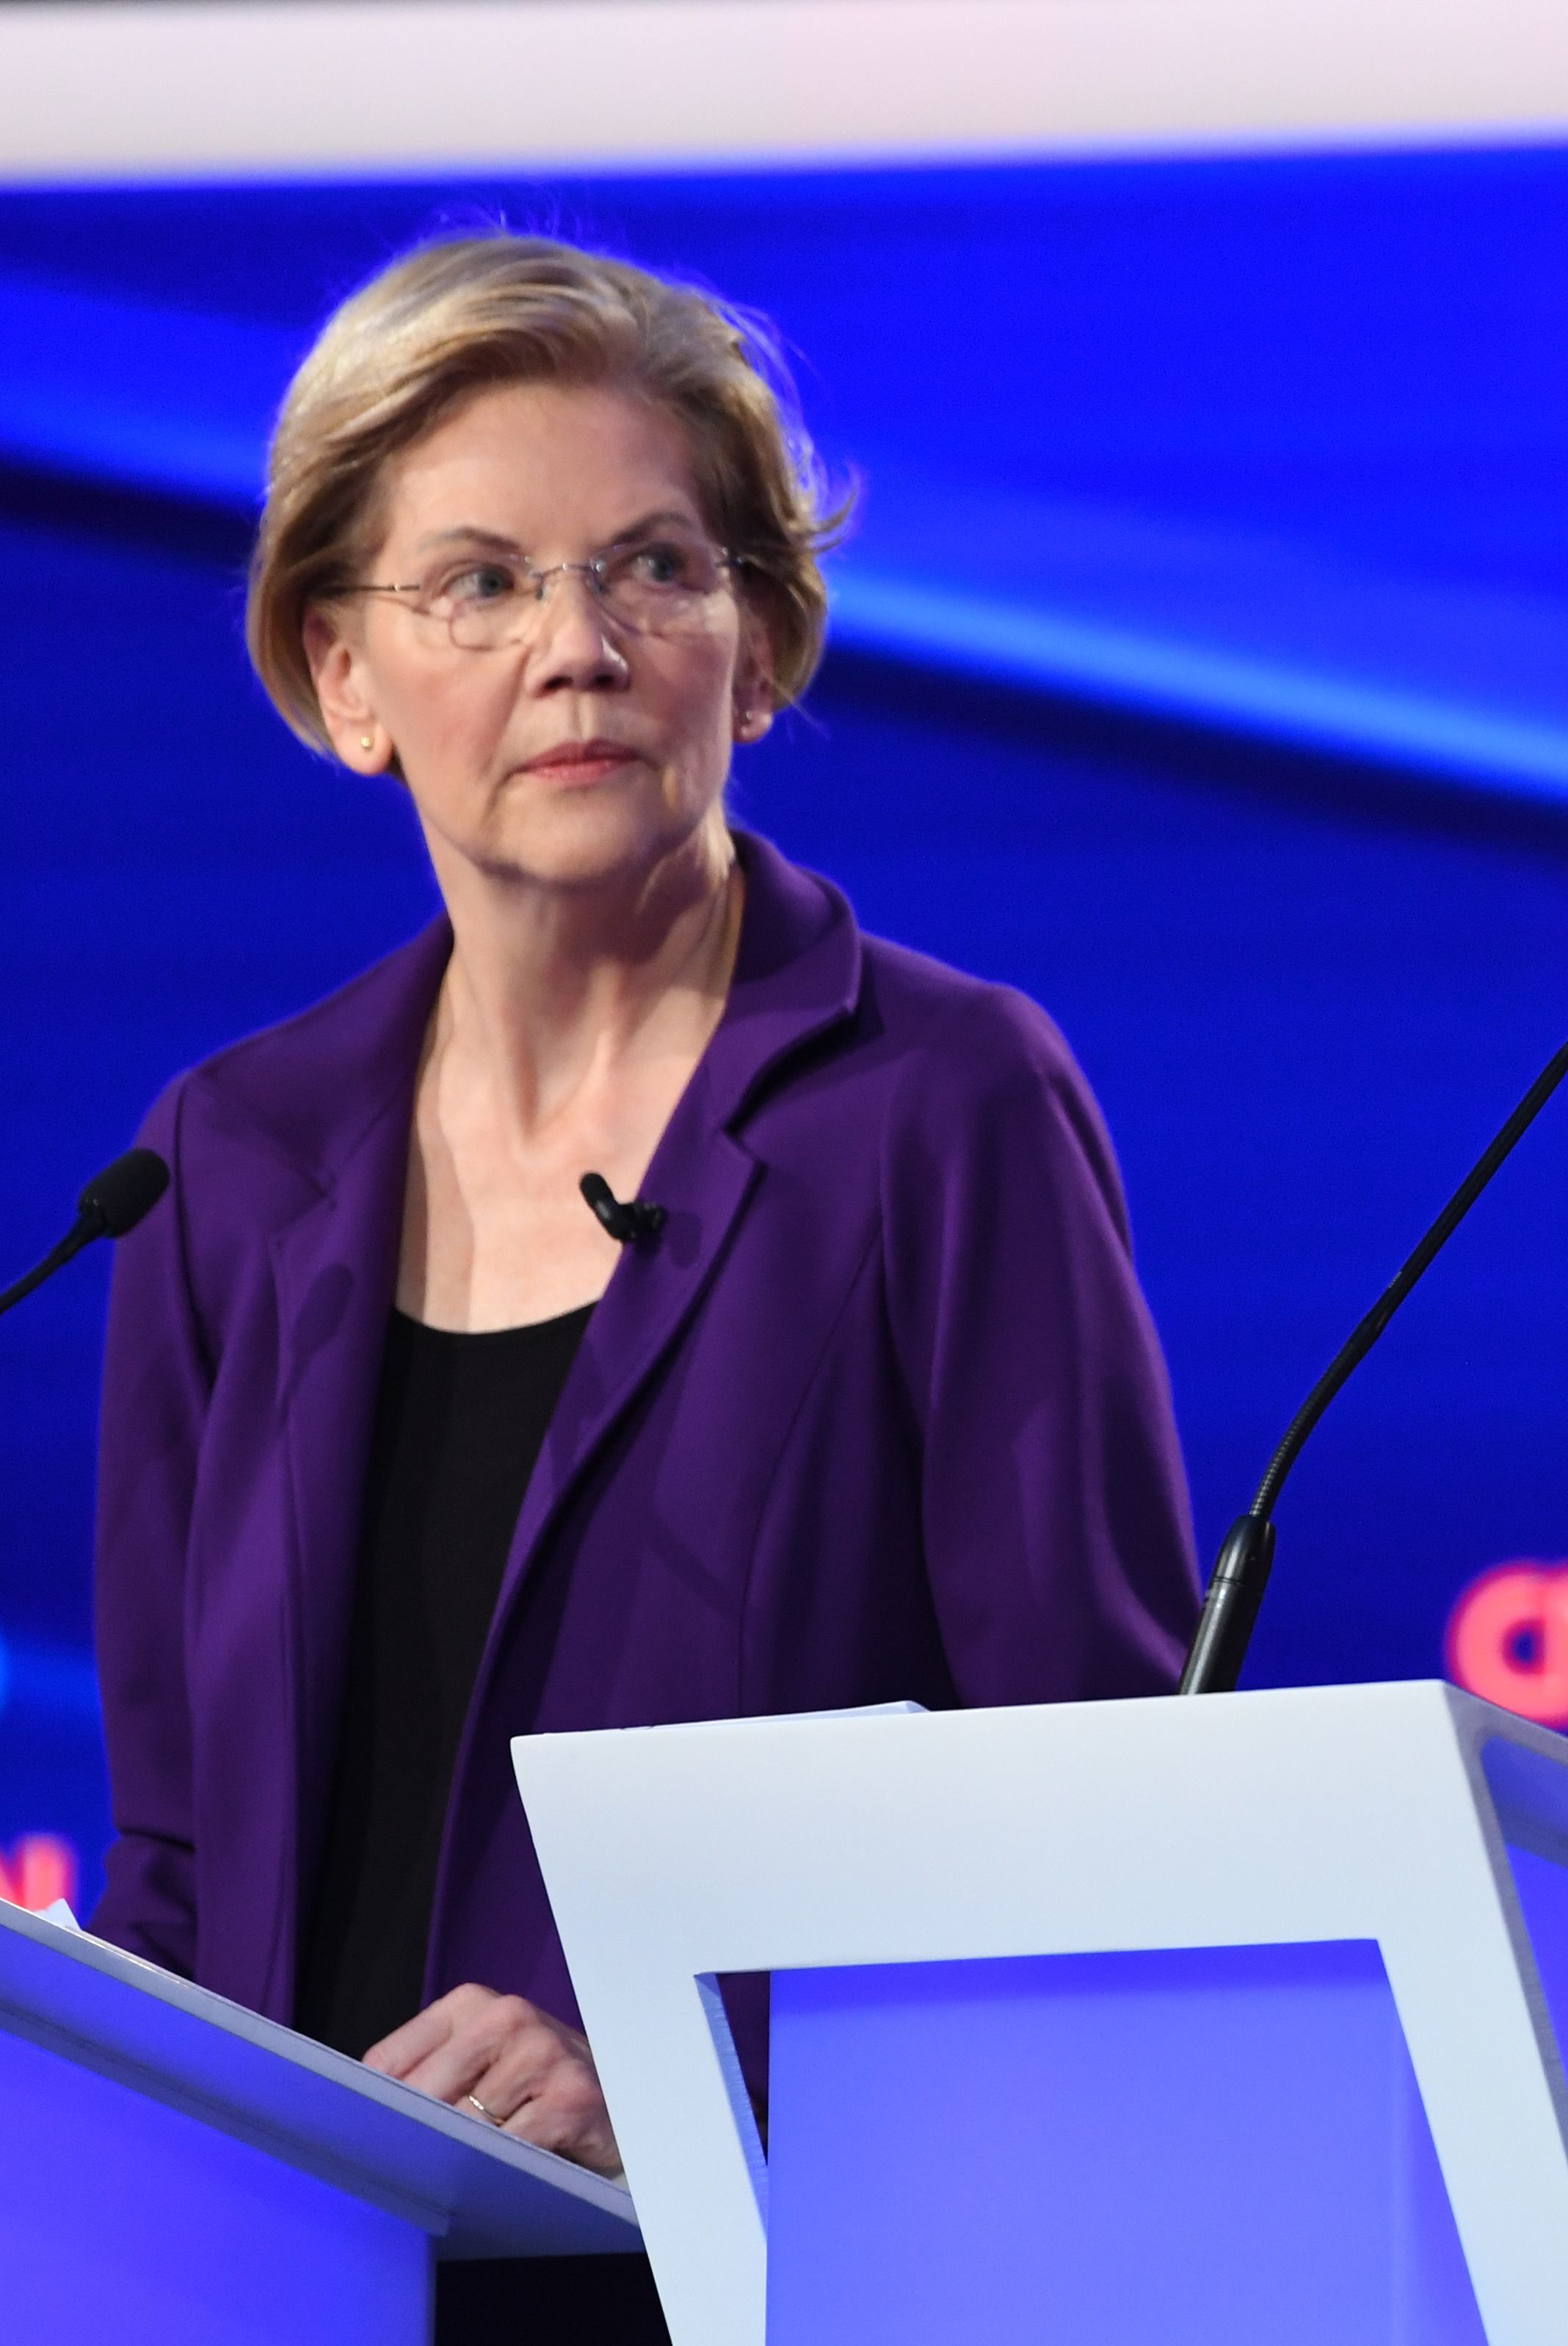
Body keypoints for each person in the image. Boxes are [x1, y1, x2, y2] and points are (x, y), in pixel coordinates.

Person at [90, 236, 1199, 2336]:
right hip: (289, 2284)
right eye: (482, 582)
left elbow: (1101, 1813)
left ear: (758, 646)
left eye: (657, 570)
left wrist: (691, 2068)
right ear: (345, 676)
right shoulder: (229, 1157)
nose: (577, 647)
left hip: (751, 2282)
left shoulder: (938, 1106)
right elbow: (177, 1865)